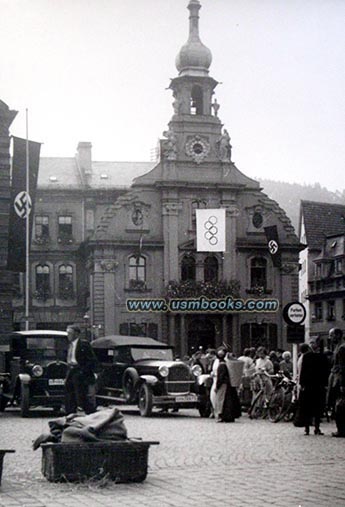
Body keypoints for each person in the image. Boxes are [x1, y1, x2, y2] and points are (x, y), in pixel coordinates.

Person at [64, 324, 99, 415]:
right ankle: (70, 413)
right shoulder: (68, 345)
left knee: (81, 395)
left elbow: (92, 360)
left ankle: (91, 413)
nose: (68, 335)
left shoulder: (84, 344)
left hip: (80, 372)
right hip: (71, 371)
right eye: (67, 333)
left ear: (76, 334)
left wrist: (82, 371)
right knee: (69, 393)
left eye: (70, 333)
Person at [298, 336, 329, 435]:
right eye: (310, 343)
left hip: (318, 385)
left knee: (318, 407)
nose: (311, 345)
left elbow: (325, 371)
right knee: (307, 407)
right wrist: (302, 383)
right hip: (308, 385)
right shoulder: (307, 356)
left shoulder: (323, 356)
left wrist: (325, 384)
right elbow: (303, 371)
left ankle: (317, 427)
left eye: (313, 343)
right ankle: (307, 428)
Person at [213, 348, 241, 422]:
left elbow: (220, 377)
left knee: (221, 401)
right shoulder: (227, 364)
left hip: (223, 385)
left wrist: (217, 386)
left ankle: (222, 416)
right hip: (228, 384)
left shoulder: (221, 365)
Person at [328, 328, 345, 437]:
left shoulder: (342, 348)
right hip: (336, 378)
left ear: (338, 335)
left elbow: (343, 367)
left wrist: (342, 383)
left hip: (339, 380)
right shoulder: (338, 347)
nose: (330, 338)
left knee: (340, 406)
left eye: (332, 335)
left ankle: (341, 429)